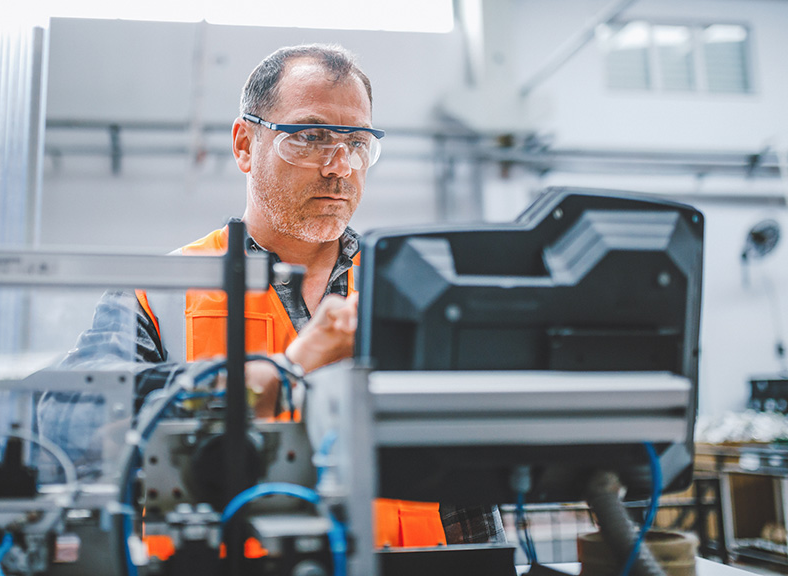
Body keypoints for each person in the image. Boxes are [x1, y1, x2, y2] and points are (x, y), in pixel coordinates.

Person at [39, 43, 503, 547]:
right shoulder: (162, 289)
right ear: (244, 144)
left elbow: (468, 497)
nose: (340, 166)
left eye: (357, 142)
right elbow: (68, 429)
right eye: (310, 137)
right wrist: (278, 373)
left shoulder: (418, 292)